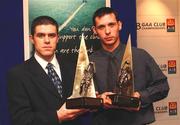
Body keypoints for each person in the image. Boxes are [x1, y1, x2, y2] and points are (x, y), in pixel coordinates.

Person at [90, 7, 170, 125]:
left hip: (137, 121)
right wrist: (99, 100)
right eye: (101, 27)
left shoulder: (140, 56)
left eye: (111, 25)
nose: (107, 31)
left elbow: (163, 86)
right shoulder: (89, 61)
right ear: (94, 30)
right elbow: (84, 98)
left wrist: (139, 96)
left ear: (119, 25)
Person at [7, 16, 88, 125]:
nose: (47, 40)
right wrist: (57, 116)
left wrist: (92, 101)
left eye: (51, 35)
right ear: (32, 39)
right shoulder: (18, 74)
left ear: (57, 38)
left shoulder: (73, 68)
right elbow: (20, 120)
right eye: (41, 35)